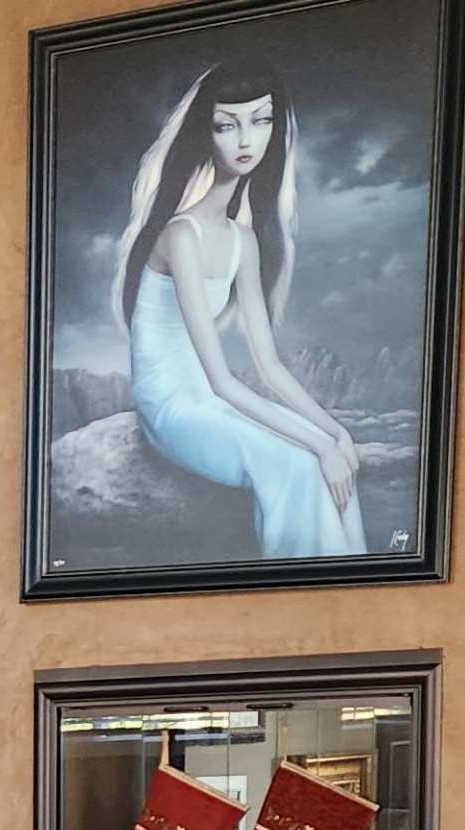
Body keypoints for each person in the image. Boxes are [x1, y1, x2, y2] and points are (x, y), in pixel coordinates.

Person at [110, 64, 364, 560]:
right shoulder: (180, 236)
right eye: (227, 125)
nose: (246, 139)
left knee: (328, 455)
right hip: (174, 408)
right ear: (205, 134)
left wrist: (337, 433)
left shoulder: (243, 241)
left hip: (211, 399)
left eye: (261, 121)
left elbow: (269, 366)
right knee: (302, 463)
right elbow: (221, 380)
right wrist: (321, 447)